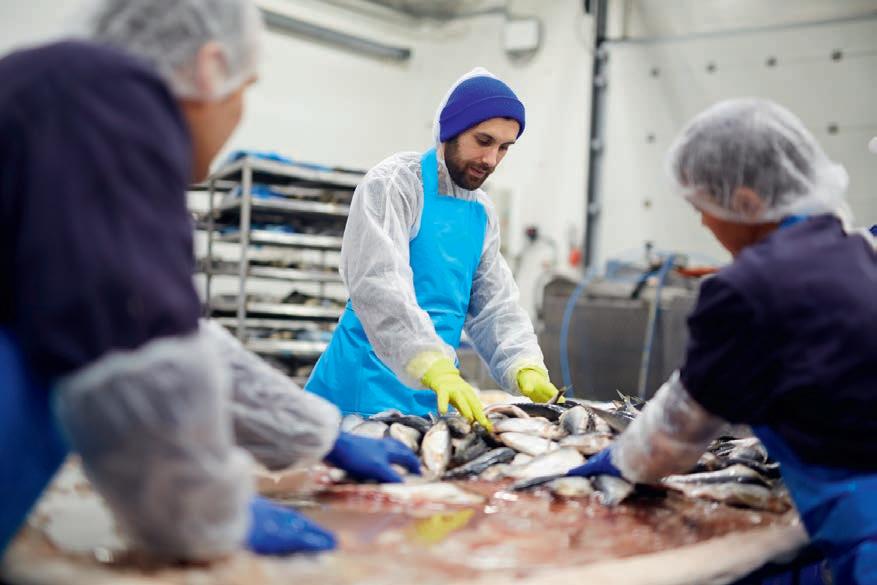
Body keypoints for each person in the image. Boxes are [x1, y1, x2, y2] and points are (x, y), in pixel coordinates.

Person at [0, 0, 418, 561]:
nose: (240, 110)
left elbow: (165, 336)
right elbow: (135, 364)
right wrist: (210, 515)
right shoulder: (111, 107)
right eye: (246, 88)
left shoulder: (61, 94)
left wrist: (319, 435)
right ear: (210, 66)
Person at [565, 98, 877, 584]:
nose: (705, 223)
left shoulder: (745, 289)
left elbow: (676, 436)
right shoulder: (860, 251)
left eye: (703, 207)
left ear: (747, 201)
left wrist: (618, 461)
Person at [306, 68, 562, 428]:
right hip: (360, 395)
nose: (491, 159)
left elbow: (493, 306)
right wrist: (431, 364)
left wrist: (523, 364)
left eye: (504, 148)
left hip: (434, 398)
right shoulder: (395, 184)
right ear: (450, 131)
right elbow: (377, 286)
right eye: (483, 140)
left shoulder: (481, 212)